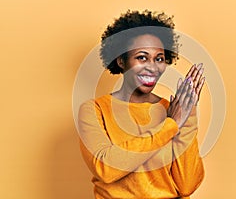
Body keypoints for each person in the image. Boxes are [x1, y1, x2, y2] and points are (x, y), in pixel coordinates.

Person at [78, 10, 205, 199]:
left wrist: (188, 114)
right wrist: (171, 125)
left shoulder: (173, 110)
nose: (152, 67)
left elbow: (187, 186)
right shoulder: (95, 110)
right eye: (142, 57)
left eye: (159, 59)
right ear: (121, 60)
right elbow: (106, 169)